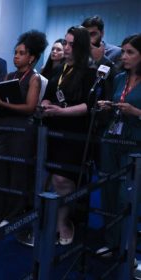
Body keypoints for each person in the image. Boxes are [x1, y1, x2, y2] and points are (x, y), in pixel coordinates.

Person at [0, 30, 47, 227]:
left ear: (32, 57)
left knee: (17, 173)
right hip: (4, 126)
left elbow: (29, 108)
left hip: (22, 129)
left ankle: (13, 215)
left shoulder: (34, 78)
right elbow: (1, 100)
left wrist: (2, 104)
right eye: (15, 52)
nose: (16, 56)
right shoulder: (10, 75)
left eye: (21, 53)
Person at [41, 26, 96, 246]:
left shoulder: (90, 72)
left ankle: (64, 222)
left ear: (81, 47)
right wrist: (46, 104)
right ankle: (56, 220)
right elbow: (49, 96)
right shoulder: (59, 70)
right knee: (53, 178)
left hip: (75, 134)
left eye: (71, 44)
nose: (66, 47)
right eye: (65, 42)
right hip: (54, 130)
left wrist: (62, 111)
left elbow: (89, 105)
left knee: (64, 179)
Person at [97, 34, 141, 257]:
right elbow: (118, 102)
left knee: (127, 197)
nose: (124, 56)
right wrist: (109, 106)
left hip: (135, 144)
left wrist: (136, 112)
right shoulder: (119, 78)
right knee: (108, 191)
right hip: (112, 140)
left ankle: (128, 247)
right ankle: (111, 240)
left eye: (130, 52)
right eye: (123, 51)